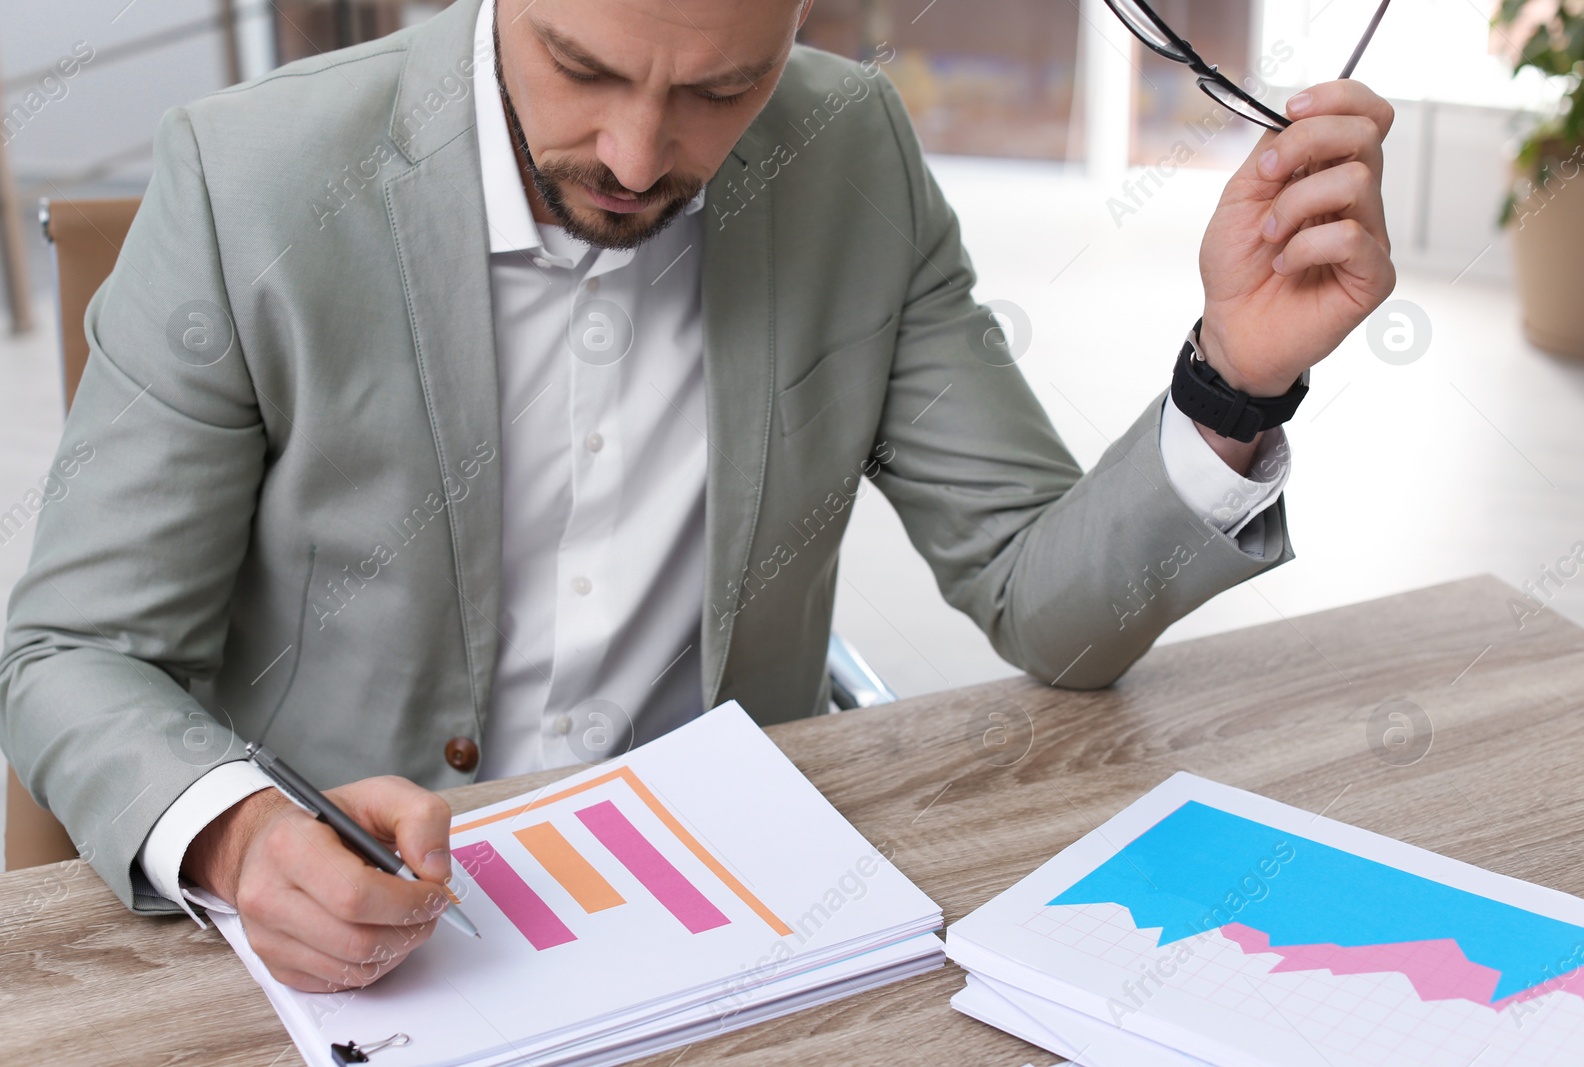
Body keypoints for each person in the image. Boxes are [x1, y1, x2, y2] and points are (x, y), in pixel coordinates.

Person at [0, 0, 1394, 993]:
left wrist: (1232, 382)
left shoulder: (851, 152)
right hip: (364, 955)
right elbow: (72, 653)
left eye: (721, 91)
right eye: (581, 67)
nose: (631, 154)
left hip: (742, 935)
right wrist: (240, 836)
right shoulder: (247, 176)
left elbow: (1048, 612)